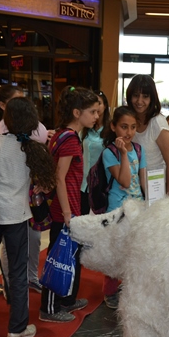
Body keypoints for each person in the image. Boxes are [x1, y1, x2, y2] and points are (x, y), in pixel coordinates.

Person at [0, 98, 56, 337]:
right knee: (18, 272)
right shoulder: (33, 150)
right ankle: (16, 329)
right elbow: (47, 183)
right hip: (17, 216)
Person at [0, 84, 49, 295]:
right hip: (5, 207)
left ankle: (28, 279)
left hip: (17, 203)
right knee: (7, 255)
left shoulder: (25, 139)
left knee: (29, 241)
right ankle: (12, 298)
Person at [39, 86, 99, 323]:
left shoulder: (62, 135)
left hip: (67, 206)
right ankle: (49, 308)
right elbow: (59, 177)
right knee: (58, 256)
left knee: (67, 255)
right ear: (77, 112)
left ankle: (65, 300)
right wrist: (67, 212)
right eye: (92, 111)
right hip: (65, 209)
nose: (96, 116)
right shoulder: (70, 139)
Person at [101, 106, 147, 309]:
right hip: (117, 209)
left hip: (137, 207)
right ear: (113, 127)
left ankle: (130, 289)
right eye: (123, 127)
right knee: (116, 251)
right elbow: (126, 181)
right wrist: (122, 153)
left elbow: (143, 178)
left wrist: (151, 201)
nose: (128, 132)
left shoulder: (138, 149)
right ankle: (110, 291)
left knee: (135, 250)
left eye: (133, 127)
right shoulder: (110, 153)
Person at [126, 75, 169, 196]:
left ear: (152, 98)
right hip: (131, 185)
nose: (139, 101)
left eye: (145, 96)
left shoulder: (158, 122)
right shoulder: (128, 119)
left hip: (155, 185)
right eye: (136, 95)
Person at [81, 89, 109, 215]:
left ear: (105, 106)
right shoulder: (85, 129)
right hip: (83, 183)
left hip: (101, 185)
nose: (96, 107)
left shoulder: (110, 131)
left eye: (99, 102)